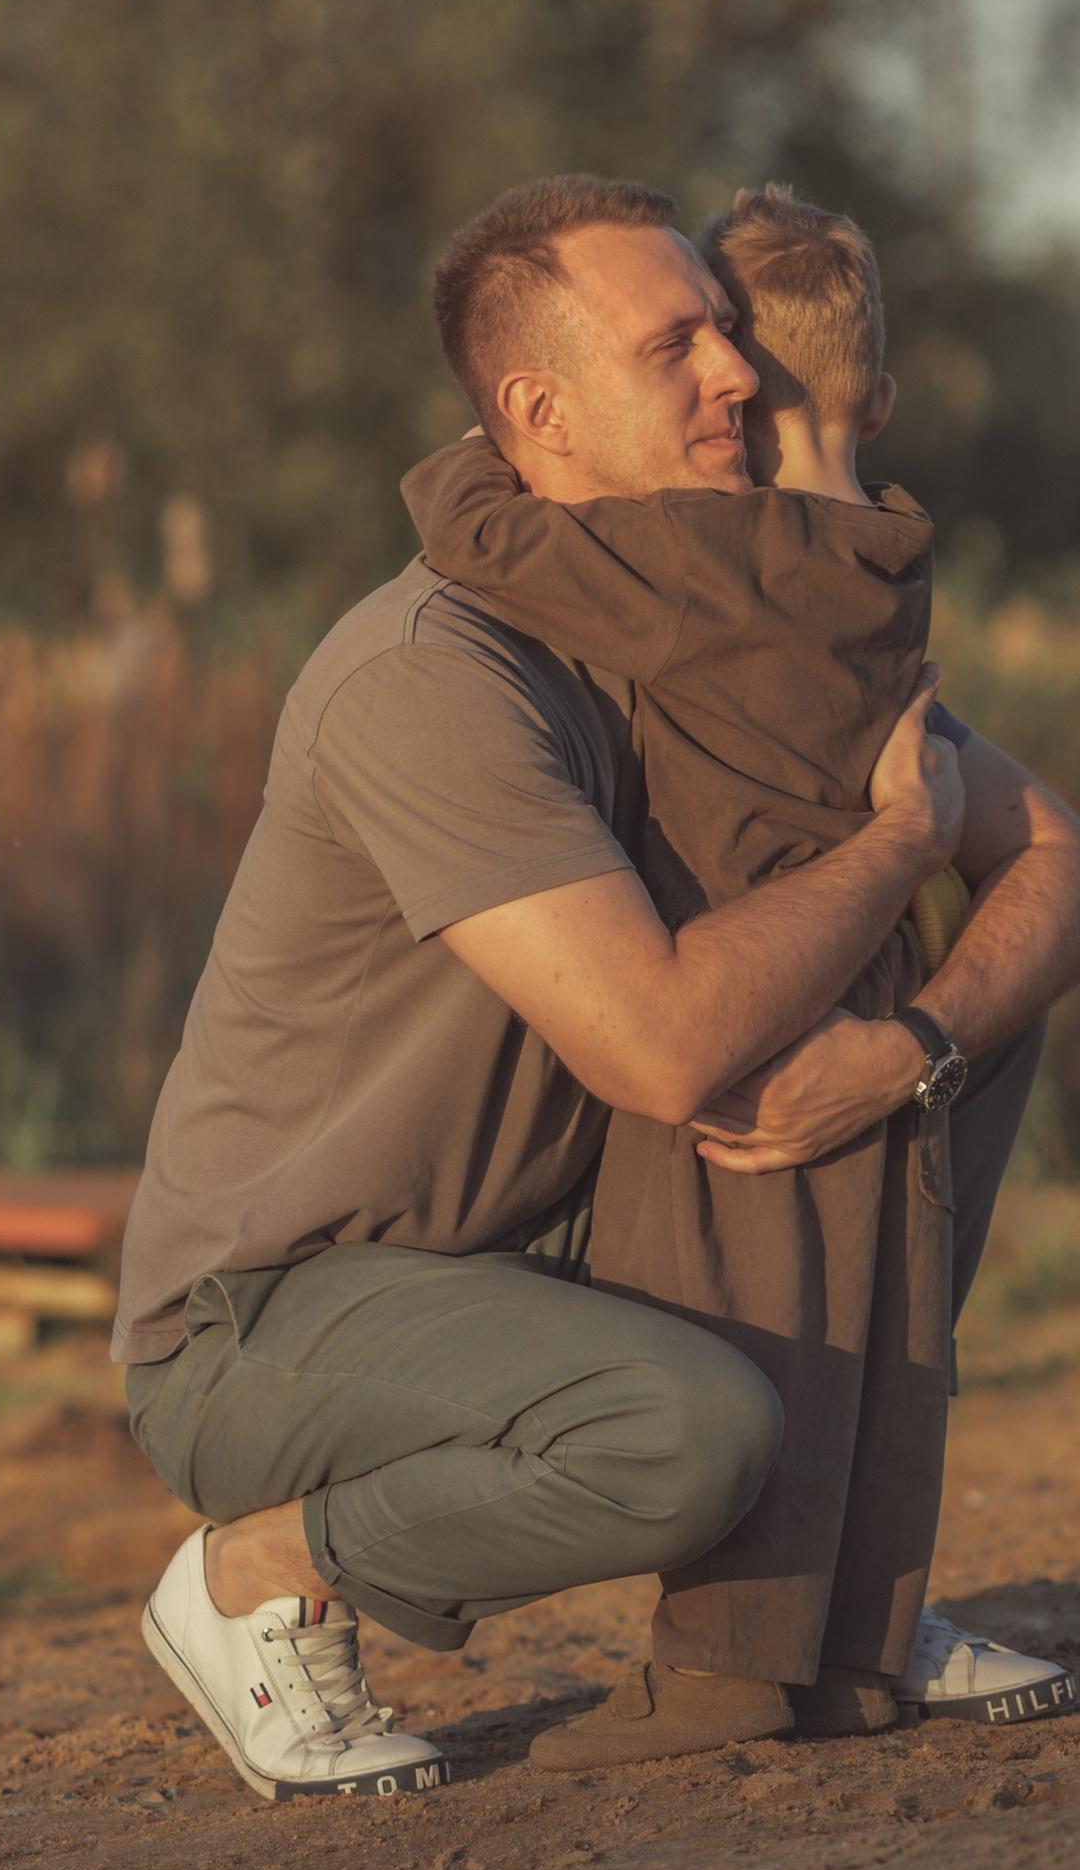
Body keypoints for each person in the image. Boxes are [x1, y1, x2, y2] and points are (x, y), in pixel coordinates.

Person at [111, 173, 1080, 1803]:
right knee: (687, 1436)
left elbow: (1076, 875)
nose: (737, 374)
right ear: (541, 412)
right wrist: (898, 842)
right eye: (678, 349)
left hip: (535, 1245)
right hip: (276, 1313)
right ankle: (258, 1574)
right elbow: (659, 1048)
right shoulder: (431, 678)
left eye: (725, 331)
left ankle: (840, 1602)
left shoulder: (696, 623)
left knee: (959, 1023)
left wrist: (912, 1050)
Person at [402, 181, 1002, 1766]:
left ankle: (724, 1674)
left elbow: (474, 534)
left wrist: (485, 437)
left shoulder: (710, 561)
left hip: (751, 997)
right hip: (877, 984)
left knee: (758, 1330)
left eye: (713, 347)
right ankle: (856, 1659)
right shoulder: (886, 565)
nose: (709, 383)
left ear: (748, 383)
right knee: (884, 1341)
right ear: (883, 397)